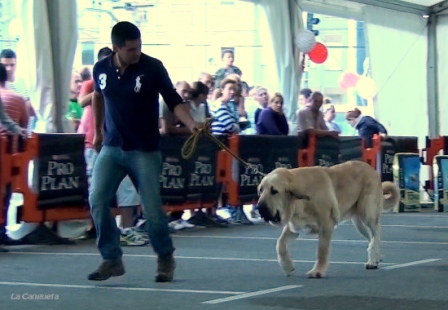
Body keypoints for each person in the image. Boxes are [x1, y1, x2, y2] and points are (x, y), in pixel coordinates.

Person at [88, 21, 198, 283]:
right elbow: (97, 96)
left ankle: (165, 256)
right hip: (112, 147)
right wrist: (98, 131)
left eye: (139, 47)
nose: (137, 53)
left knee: (152, 210)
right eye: (131, 49)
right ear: (116, 48)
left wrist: (191, 123)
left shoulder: (152, 67)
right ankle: (111, 258)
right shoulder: (101, 68)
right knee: (97, 200)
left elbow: (173, 99)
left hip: (144, 150)